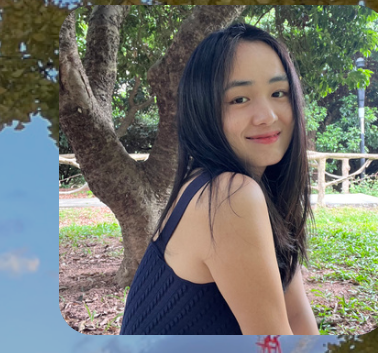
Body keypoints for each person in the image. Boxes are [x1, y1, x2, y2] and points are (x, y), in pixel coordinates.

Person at [120, 22, 318, 334]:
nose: (267, 115)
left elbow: (296, 316)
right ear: (204, 111)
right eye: (239, 99)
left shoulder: (252, 188)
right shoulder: (228, 196)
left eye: (278, 93)